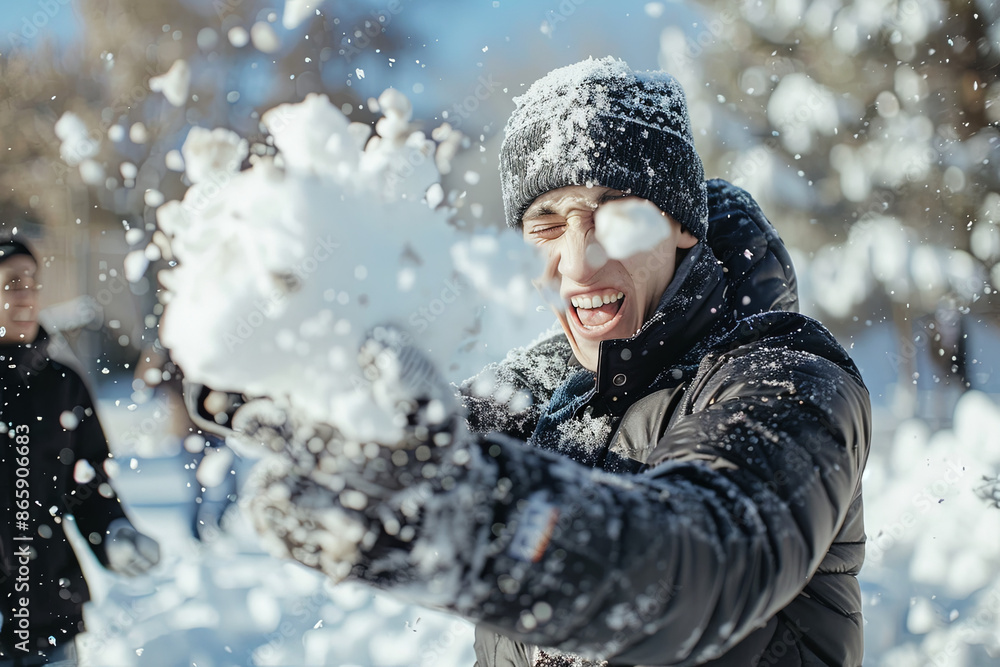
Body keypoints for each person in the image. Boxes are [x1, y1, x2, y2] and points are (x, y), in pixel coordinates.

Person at [220, 57, 871, 666]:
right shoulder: (554, 386)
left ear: (682, 226)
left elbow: (703, 560)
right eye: (548, 222)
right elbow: (412, 420)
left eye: (616, 212)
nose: (579, 260)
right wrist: (272, 361)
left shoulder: (790, 376)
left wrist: (479, 522)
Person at [0, 234, 160, 666]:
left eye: (31, 281)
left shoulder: (62, 385)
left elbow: (87, 482)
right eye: (11, 282)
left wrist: (113, 533)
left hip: (48, 613)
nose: (26, 294)